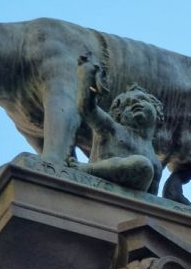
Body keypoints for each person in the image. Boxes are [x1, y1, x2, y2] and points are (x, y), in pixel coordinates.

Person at [69, 53, 163, 193]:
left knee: (145, 166)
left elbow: (153, 198)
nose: (134, 104)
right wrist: (86, 75)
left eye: (141, 100)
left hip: (132, 203)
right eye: (127, 105)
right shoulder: (112, 128)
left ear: (157, 111)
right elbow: (87, 108)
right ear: (119, 116)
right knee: (142, 164)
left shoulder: (156, 161)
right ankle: (86, 169)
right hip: (96, 186)